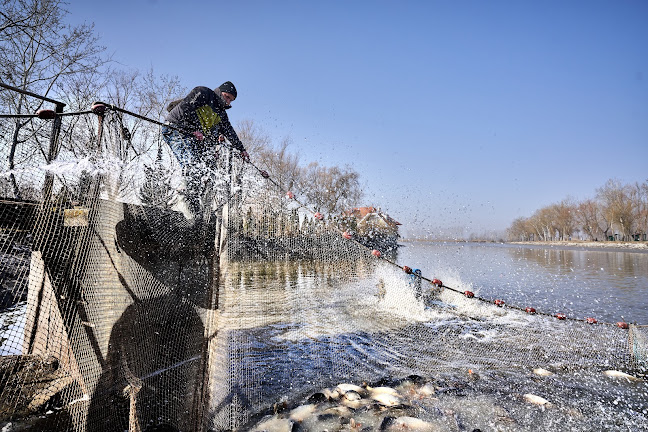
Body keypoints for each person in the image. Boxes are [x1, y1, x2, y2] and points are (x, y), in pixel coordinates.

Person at [161, 82, 249, 220]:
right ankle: (182, 202)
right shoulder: (203, 93)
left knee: (204, 170)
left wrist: (242, 149)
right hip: (176, 128)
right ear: (220, 92)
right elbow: (186, 107)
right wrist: (193, 128)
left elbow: (229, 131)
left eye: (230, 100)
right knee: (192, 165)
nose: (227, 101)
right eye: (226, 97)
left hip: (192, 136)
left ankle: (194, 201)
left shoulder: (222, 114)